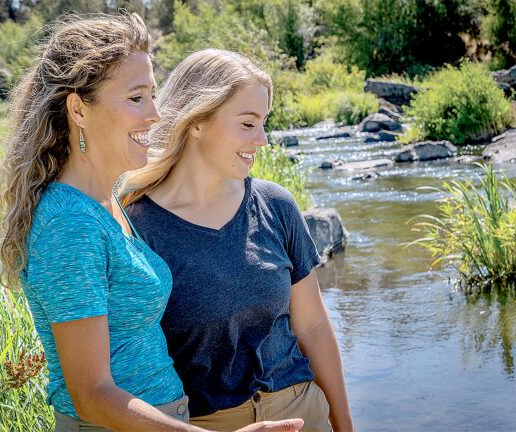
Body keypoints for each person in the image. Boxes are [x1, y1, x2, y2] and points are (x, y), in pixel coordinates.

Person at [0, 14, 304, 432]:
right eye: (136, 97)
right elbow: (90, 394)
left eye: (153, 95)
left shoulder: (107, 202)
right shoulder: (69, 224)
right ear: (78, 109)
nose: (156, 114)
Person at [122, 49, 355, 432]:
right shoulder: (135, 228)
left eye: (264, 123)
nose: (262, 139)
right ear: (196, 122)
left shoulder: (276, 204)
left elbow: (312, 326)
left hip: (304, 412)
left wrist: (344, 425)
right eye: (248, 124)